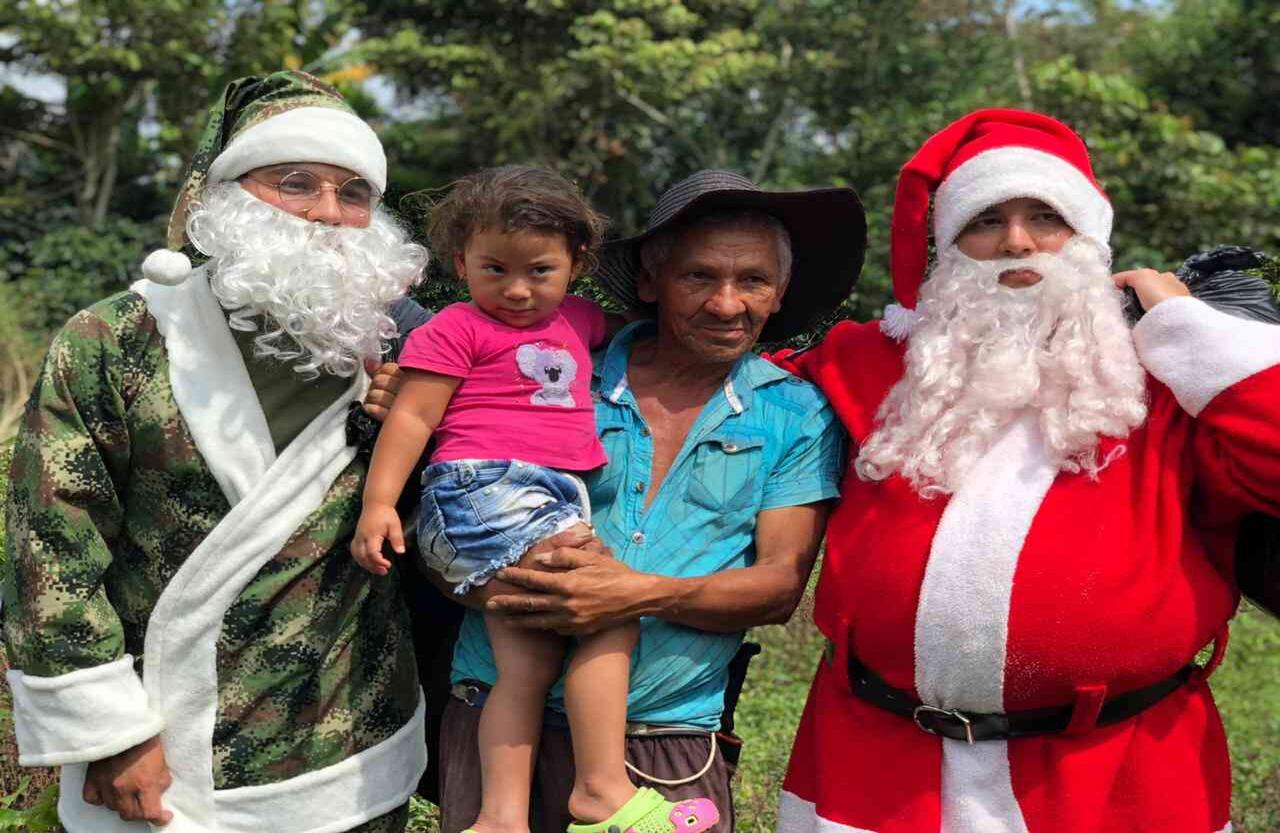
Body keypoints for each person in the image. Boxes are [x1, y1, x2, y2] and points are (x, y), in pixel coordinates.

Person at [773, 109, 1280, 833]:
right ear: (948, 247)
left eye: (1046, 215)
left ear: (1089, 237)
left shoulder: (1169, 377)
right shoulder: (872, 361)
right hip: (881, 776)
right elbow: (716, 392)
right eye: (986, 220)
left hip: (1119, 780)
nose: (1016, 241)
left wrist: (1187, 328)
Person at [2, 71, 432, 833]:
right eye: (295, 182)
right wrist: (108, 734)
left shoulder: (411, 357)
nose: (329, 214)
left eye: (354, 193)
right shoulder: (116, 341)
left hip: (351, 763)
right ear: (228, 195)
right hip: (159, 766)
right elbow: (49, 550)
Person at [435, 170, 861, 833]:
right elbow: (453, 491)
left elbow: (779, 586)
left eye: (752, 280)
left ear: (779, 294)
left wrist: (634, 593)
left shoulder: (796, 413)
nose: (726, 304)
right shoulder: (558, 365)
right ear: (649, 282)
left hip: (668, 738)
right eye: (698, 277)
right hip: (501, 726)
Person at [352, 165, 720, 833]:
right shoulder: (456, 328)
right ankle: (603, 789)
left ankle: (500, 816)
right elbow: (413, 419)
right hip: (485, 488)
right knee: (609, 604)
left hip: (538, 496)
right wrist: (380, 502)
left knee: (526, 662)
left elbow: (647, 323)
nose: (517, 290)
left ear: (577, 264)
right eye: (495, 269)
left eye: (540, 271)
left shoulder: (579, 319)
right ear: (461, 261)